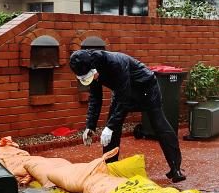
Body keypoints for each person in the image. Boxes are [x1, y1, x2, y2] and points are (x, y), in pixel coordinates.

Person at [69, 49, 186, 183]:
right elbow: (95, 98)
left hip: (146, 88)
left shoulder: (115, 62)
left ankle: (175, 168)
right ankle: (110, 168)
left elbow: (123, 98)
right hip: (122, 91)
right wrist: (90, 126)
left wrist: (110, 127)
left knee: (159, 124)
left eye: (90, 75)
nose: (92, 79)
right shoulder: (88, 66)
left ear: (93, 67)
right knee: (112, 131)